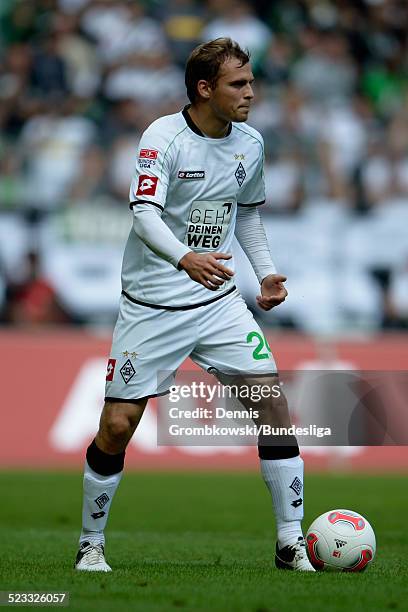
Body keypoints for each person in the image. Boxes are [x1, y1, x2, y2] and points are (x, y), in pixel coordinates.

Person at [74, 37, 315, 573]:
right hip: (153, 304)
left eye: (251, 82)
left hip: (218, 301)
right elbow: (142, 214)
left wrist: (266, 272)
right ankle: (91, 542)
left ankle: (290, 540)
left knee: (272, 405)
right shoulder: (162, 138)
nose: (251, 93)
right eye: (238, 84)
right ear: (205, 89)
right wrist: (185, 258)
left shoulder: (250, 143)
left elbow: (247, 214)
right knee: (117, 426)